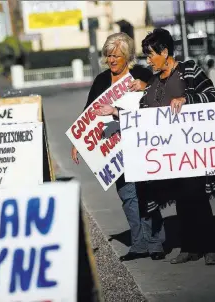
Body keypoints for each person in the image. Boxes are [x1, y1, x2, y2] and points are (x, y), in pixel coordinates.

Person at [93, 28, 215, 265]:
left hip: (192, 151)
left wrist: (187, 100)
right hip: (169, 157)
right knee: (182, 202)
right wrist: (116, 112)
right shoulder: (154, 83)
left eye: (151, 55)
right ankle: (190, 248)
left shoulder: (188, 70)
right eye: (146, 56)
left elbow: (211, 95)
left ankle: (211, 247)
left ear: (165, 52)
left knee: (197, 199)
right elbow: (142, 116)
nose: (148, 60)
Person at [71, 32, 166, 261]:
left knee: (145, 193)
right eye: (108, 55)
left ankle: (156, 243)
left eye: (116, 56)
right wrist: (77, 142)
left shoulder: (142, 74)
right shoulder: (102, 81)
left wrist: (144, 86)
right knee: (127, 196)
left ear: (128, 57)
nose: (111, 60)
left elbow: (158, 98)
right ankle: (138, 244)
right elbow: (88, 113)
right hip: (113, 151)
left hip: (139, 144)